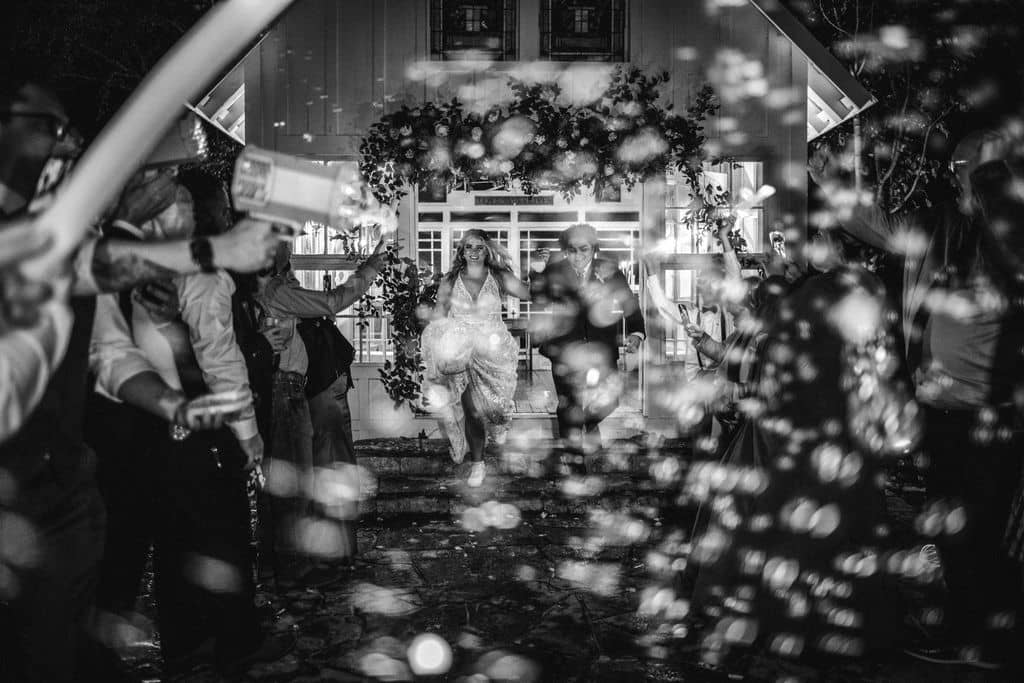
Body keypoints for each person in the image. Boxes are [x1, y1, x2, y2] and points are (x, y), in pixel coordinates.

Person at [0, 82, 279, 683]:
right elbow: (89, 281)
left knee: (136, 545)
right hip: (39, 467)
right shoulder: (53, 231)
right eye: (53, 128)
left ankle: (169, 646)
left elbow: (106, 346)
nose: (72, 144)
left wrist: (174, 402)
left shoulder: (80, 228)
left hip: (83, 451)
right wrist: (214, 249)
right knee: (186, 532)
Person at [257, 236, 385, 581]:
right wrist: (369, 269)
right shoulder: (273, 291)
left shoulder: (279, 286)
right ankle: (297, 567)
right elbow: (331, 301)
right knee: (307, 476)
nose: (290, 248)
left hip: (303, 387)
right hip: (291, 388)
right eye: (282, 242)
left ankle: (307, 559)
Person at [421, 229, 531, 487]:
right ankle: (478, 464)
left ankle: (500, 422)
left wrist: (539, 269)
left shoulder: (499, 277)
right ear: (461, 251)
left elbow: (527, 293)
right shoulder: (451, 280)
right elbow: (438, 315)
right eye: (468, 247)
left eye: (478, 247)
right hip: (463, 352)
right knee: (471, 409)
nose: (473, 251)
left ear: (487, 250)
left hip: (495, 351)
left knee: (497, 406)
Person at [530, 223, 645, 458]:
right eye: (571, 250)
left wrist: (636, 333)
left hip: (601, 350)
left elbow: (629, 304)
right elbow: (537, 298)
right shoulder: (556, 271)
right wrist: (536, 272)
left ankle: (587, 426)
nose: (578, 256)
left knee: (609, 401)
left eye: (584, 250)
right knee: (568, 406)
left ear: (594, 249)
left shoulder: (608, 271)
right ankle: (573, 460)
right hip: (565, 350)